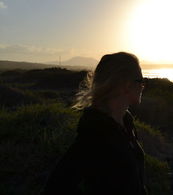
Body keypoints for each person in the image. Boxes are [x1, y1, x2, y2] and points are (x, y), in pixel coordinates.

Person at [43, 52, 147, 195]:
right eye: (140, 80)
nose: (143, 85)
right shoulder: (95, 132)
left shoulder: (126, 121)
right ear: (126, 85)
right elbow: (56, 187)